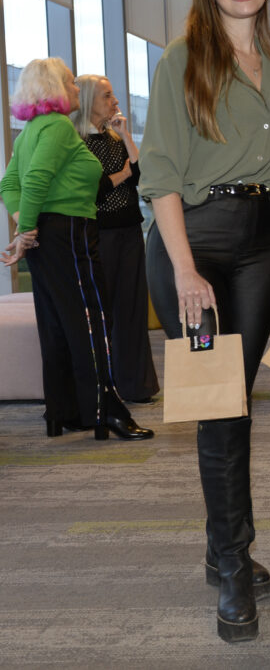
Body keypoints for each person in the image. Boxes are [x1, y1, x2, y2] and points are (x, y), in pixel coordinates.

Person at [140, 0, 270, 643]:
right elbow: (161, 172)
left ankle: (222, 545)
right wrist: (183, 269)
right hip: (194, 243)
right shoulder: (183, 59)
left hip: (263, 245)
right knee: (219, 408)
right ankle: (233, 563)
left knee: (238, 401)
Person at [0, 58, 154, 442]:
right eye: (70, 82)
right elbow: (35, 179)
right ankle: (107, 411)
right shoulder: (56, 127)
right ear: (54, 87)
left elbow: (9, 184)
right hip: (70, 233)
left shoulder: (31, 130)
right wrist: (25, 229)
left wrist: (25, 225)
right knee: (92, 321)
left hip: (50, 236)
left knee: (57, 325)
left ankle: (63, 411)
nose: (74, 89)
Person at [70, 75, 159, 405]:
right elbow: (91, 191)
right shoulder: (76, 142)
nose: (115, 101)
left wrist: (126, 136)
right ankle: (102, 388)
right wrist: (121, 174)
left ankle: (137, 386)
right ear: (88, 100)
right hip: (98, 235)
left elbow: (141, 175)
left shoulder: (114, 137)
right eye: (107, 96)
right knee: (102, 312)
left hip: (130, 231)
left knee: (133, 308)